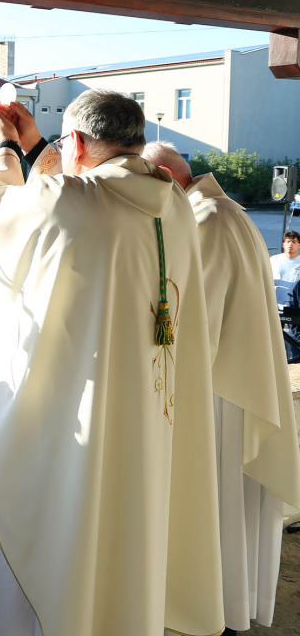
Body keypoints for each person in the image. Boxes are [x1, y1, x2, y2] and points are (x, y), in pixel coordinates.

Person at [0, 92, 224, 636]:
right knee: (128, 536)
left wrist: (8, 150)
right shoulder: (177, 207)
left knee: (64, 531)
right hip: (147, 418)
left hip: (76, 420)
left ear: (74, 143)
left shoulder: (67, 198)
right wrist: (37, 144)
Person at [145, 141, 300, 633]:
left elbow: (196, 322)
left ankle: (220, 609)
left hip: (221, 390)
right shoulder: (223, 209)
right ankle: (236, 602)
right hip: (235, 379)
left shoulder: (206, 220)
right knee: (236, 512)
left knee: (221, 507)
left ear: (165, 178)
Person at [270, 230, 300, 305]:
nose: (291, 244)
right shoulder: (274, 260)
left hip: (294, 306)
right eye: (288, 241)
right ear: (283, 244)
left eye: (294, 242)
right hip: (274, 305)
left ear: (299, 245)